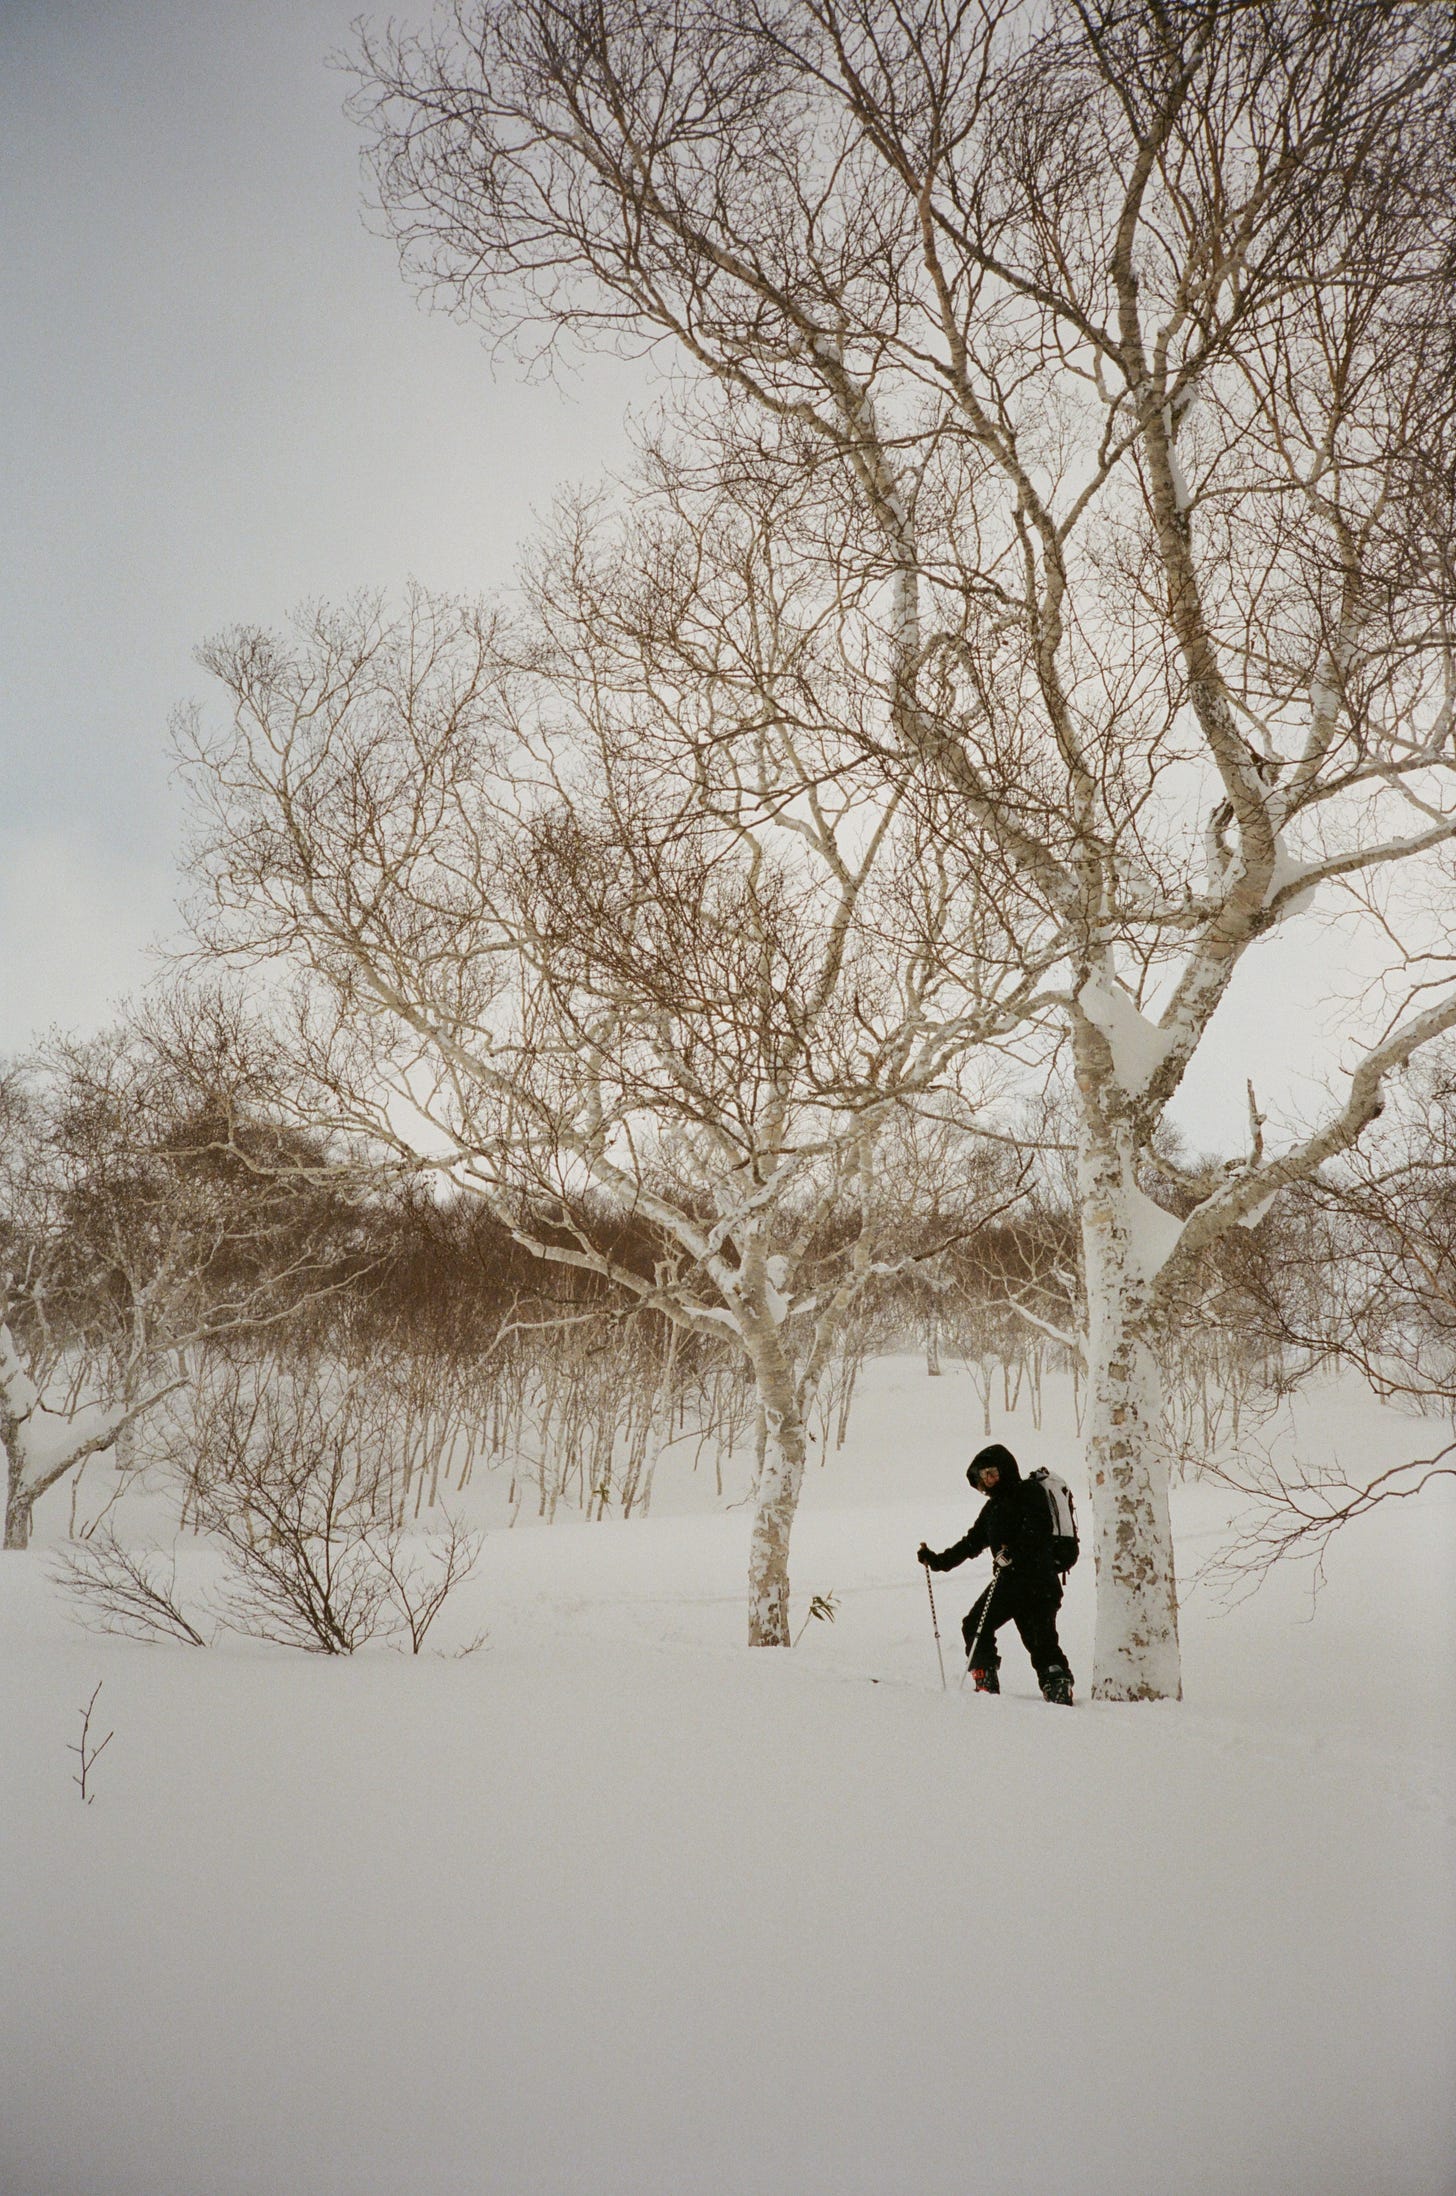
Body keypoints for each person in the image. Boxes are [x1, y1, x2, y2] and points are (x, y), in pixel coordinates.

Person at [917, 1442, 1075, 1704]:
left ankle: (1054, 1685)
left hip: (1036, 1580)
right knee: (984, 1626)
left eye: (992, 1473)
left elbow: (1038, 1529)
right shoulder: (992, 1509)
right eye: (984, 1477)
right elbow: (971, 1543)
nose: (988, 1480)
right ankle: (991, 1681)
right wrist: (937, 1561)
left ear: (1006, 1468)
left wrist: (1013, 1554)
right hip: (1017, 1582)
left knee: (1036, 1637)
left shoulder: (1029, 1491)